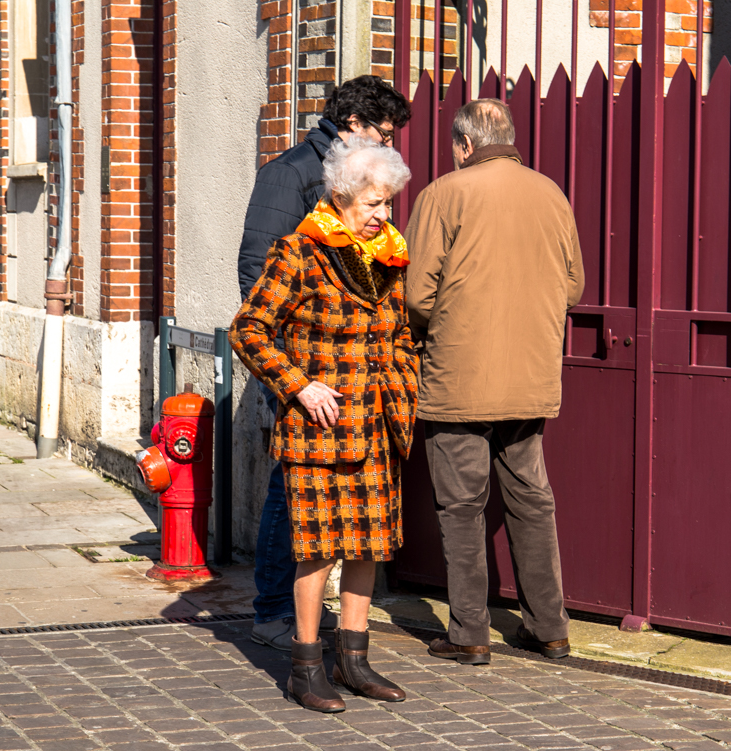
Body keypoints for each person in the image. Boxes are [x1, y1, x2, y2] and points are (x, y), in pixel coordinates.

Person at [230, 137, 417, 712]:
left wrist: (405, 380)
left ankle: (354, 662)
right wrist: (298, 384)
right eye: (373, 205)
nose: (383, 216)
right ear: (340, 197)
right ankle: (306, 666)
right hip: (321, 429)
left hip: (377, 426)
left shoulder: (388, 257)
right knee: (317, 550)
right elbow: (249, 329)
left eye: (387, 204)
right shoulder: (299, 252)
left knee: (368, 547)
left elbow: (400, 333)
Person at [404, 99, 585, 665]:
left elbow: (415, 294)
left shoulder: (443, 194)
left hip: (459, 375)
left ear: (463, 144)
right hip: (529, 374)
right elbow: (574, 285)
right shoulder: (551, 193)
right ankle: (550, 628)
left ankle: (469, 633)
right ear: (507, 137)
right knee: (532, 498)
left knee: (461, 506)